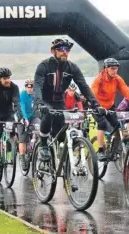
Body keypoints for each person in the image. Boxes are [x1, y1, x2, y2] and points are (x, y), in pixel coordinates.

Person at [33, 37, 104, 166]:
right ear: (52, 51)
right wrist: (39, 103)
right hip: (44, 101)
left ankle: (65, 170)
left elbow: (84, 86)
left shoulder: (72, 68)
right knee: (48, 115)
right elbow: (37, 86)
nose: (65, 52)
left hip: (60, 102)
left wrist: (95, 104)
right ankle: (43, 145)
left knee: (61, 135)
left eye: (67, 49)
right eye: (61, 49)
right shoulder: (43, 66)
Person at [91, 58, 129, 161]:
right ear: (106, 69)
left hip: (109, 106)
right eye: (112, 68)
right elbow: (92, 95)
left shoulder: (117, 79)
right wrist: (97, 106)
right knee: (102, 124)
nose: (115, 71)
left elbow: (127, 92)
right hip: (97, 106)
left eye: (116, 68)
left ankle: (114, 147)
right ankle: (100, 151)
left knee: (118, 126)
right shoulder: (98, 79)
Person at [0, 67, 24, 172]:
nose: (7, 80)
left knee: (12, 133)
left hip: (9, 112)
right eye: (5, 78)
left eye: (8, 78)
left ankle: (11, 152)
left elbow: (17, 103)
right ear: (0, 79)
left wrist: (21, 117)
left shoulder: (14, 87)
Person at [18, 78, 41, 171]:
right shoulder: (23, 94)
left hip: (32, 116)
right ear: (25, 87)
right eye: (28, 87)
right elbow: (22, 107)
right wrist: (25, 119)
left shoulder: (36, 95)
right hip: (22, 116)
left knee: (39, 128)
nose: (30, 89)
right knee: (23, 139)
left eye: (32, 87)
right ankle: (23, 158)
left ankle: (35, 146)